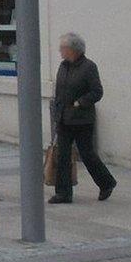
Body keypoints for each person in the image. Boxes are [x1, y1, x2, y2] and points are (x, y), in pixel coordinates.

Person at [49, 33, 117, 204]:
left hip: (82, 120)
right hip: (64, 119)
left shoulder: (88, 67)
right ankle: (63, 193)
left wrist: (81, 102)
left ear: (73, 50)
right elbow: (60, 92)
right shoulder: (63, 66)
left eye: (63, 48)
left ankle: (106, 183)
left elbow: (97, 91)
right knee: (63, 156)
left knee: (87, 154)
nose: (60, 51)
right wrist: (57, 111)